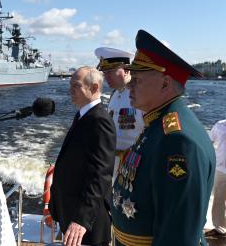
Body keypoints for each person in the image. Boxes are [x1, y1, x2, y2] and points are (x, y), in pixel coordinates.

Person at [110, 29, 215, 245]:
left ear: (165, 84)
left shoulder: (178, 140)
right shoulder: (156, 124)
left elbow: (178, 234)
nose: (129, 85)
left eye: (136, 79)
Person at [49, 66, 116, 246]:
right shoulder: (83, 115)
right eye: (70, 84)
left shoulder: (99, 120)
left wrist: (82, 219)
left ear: (94, 88)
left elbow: (101, 175)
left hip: (87, 222)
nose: (70, 90)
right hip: (71, 212)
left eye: (76, 85)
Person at [95, 47, 145, 182]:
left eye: (110, 72)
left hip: (135, 168)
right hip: (113, 166)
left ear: (127, 69)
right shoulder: (115, 94)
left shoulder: (141, 96)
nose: (106, 77)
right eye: (105, 73)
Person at [205, 119, 226, 237]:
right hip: (221, 169)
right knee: (219, 199)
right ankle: (220, 229)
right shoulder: (219, 125)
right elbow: (208, 143)